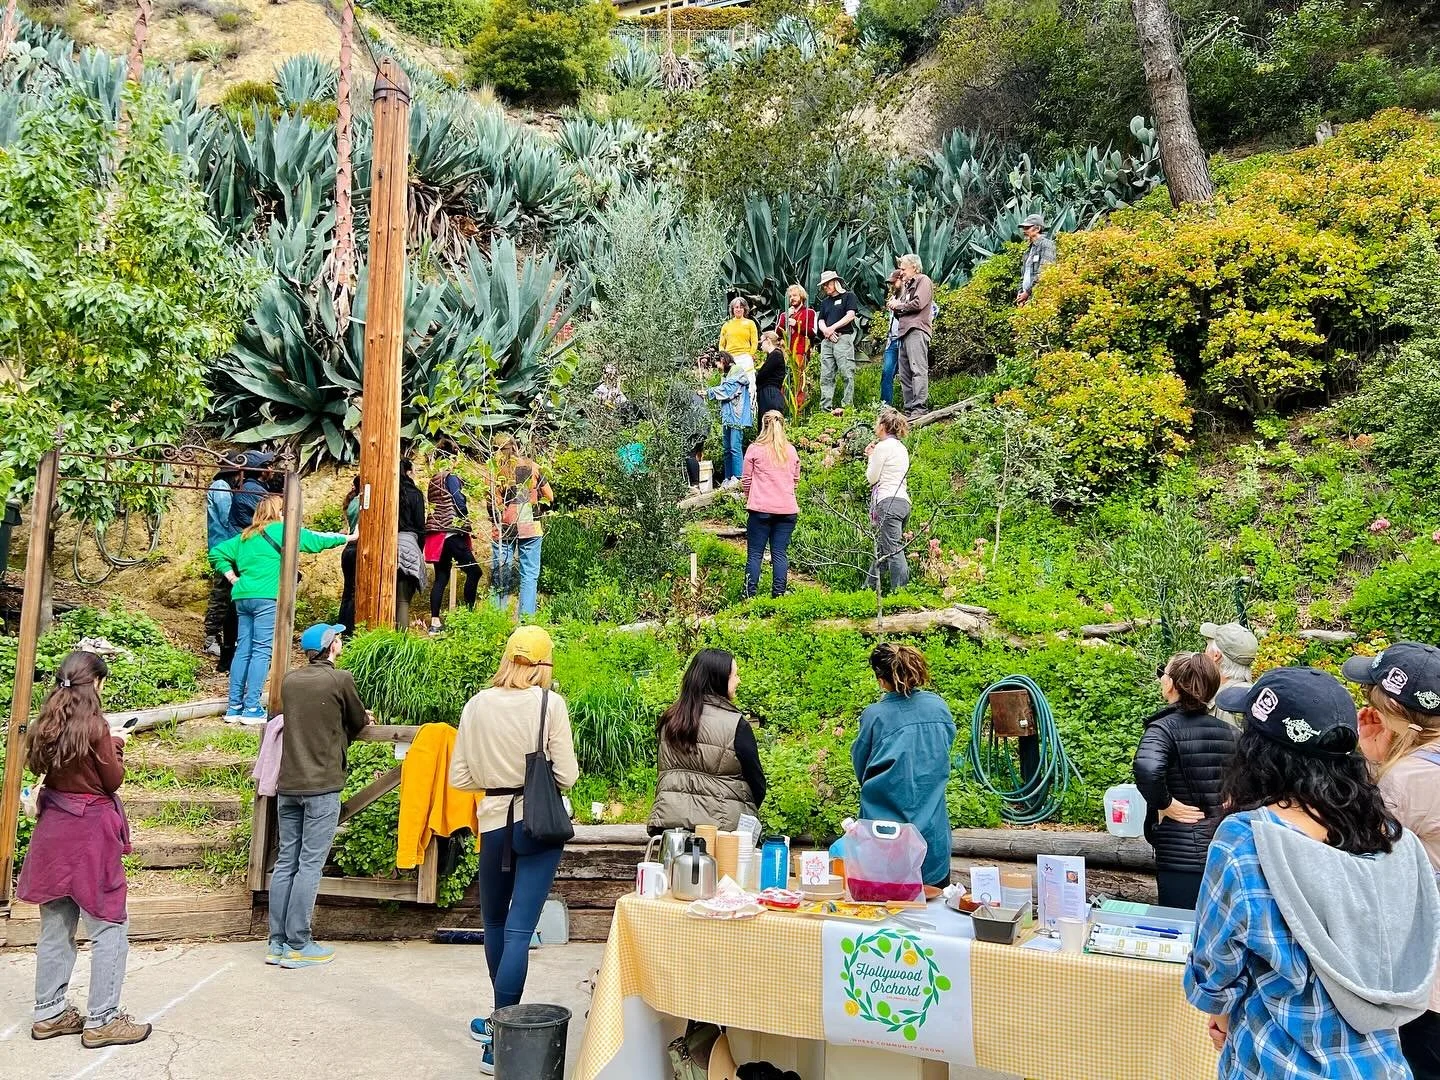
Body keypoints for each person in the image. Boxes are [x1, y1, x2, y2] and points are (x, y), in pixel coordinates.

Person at [1186, 667, 1440, 1080]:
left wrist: (1219, 1010)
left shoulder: (1248, 838)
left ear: (1256, 751)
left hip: (1278, 1061)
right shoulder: (1396, 840)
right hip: (1380, 1063)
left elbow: (1216, 959)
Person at [449, 626, 578, 1073]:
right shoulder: (549, 704)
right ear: (542, 665)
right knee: (521, 931)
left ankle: (494, 1024)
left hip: (493, 824)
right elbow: (567, 775)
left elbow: (460, 778)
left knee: (495, 925)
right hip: (537, 824)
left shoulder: (475, 705)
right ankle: (501, 1036)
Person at [17, 652, 151, 1049]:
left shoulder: (45, 724)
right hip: (91, 836)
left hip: (53, 832)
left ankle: (49, 1013)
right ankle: (103, 1019)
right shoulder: (96, 728)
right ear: (96, 683)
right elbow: (112, 780)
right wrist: (118, 745)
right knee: (110, 925)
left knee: (56, 926)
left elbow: (36, 770)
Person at [1345, 642, 1440, 1079]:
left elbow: (1363, 868)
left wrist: (1372, 760)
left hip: (1425, 981)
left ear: (1391, 710)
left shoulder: (1406, 779)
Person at [266, 623, 371, 969]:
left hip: (289, 784)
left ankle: (277, 942)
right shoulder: (340, 680)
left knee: (286, 862)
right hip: (322, 784)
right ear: (332, 646)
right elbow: (357, 722)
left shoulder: (290, 681)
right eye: (338, 637)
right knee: (310, 865)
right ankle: (299, 943)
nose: (341, 641)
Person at [209, 494, 350, 722]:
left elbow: (216, 552)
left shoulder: (245, 535)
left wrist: (232, 576)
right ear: (279, 512)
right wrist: (347, 537)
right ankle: (252, 708)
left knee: (243, 649)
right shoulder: (283, 531)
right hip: (267, 596)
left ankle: (234, 707)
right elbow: (316, 540)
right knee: (262, 650)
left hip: (243, 596)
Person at [1131, 652, 1238, 909]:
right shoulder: (1231, 733)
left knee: (1180, 931)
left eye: (1163, 674)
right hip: (1223, 847)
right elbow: (1256, 775)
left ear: (1172, 684)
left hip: (1180, 854)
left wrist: (1164, 803)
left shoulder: (1163, 729)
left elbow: (1147, 767)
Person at [851, 643, 956, 889]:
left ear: (880, 680)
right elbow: (943, 750)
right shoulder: (938, 707)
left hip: (883, 836)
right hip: (932, 832)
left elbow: (861, 767)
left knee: (883, 916)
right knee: (935, 915)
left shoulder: (875, 716)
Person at [648, 648, 765, 833]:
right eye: (734, 675)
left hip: (671, 825)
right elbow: (757, 783)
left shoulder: (669, 720)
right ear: (718, 680)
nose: (738, 681)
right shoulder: (735, 724)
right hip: (722, 830)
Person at [486, 434, 554, 619]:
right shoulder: (533, 467)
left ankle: (496, 621)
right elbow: (550, 496)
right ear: (516, 447)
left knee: (501, 573)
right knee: (529, 575)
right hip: (530, 526)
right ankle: (526, 621)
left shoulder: (494, 471)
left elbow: (492, 501)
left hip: (504, 528)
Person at [741, 411, 800, 599]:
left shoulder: (755, 449)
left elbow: (746, 480)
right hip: (787, 510)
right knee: (780, 553)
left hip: (760, 509)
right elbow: (795, 480)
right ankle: (779, 595)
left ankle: (749, 596)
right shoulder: (791, 451)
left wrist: (751, 497)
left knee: (755, 554)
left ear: (763, 425)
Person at [425, 438, 481, 634]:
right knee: (475, 572)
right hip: (452, 532)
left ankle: (435, 623)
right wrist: (466, 517)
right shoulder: (451, 477)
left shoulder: (433, 480)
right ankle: (469, 615)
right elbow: (458, 501)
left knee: (441, 577)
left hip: (436, 535)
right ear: (453, 457)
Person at [864, 407, 911, 594]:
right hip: (903, 501)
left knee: (893, 550)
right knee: (885, 548)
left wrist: (870, 457)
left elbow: (872, 477)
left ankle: (901, 593)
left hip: (888, 501)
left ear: (883, 426)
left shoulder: (882, 447)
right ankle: (868, 589)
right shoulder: (901, 448)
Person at [203, 464, 242, 671]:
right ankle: (211, 638)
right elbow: (228, 518)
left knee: (223, 593)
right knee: (222, 594)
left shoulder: (221, 486)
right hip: (225, 547)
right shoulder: (221, 487)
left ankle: (216, 637)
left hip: (224, 545)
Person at [889, 254, 935, 419]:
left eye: (903, 269)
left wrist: (899, 305)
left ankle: (920, 408)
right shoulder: (906, 287)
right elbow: (903, 312)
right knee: (905, 372)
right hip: (904, 332)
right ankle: (909, 409)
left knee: (918, 369)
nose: (901, 273)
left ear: (914, 267)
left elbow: (918, 303)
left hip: (916, 329)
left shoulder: (923, 280)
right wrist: (896, 308)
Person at [703, 351, 755, 488]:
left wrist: (708, 392)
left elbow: (728, 390)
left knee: (734, 447)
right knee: (727, 448)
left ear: (723, 360)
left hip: (736, 416)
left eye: (718, 364)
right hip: (727, 417)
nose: (718, 368)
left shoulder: (737, 370)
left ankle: (738, 477)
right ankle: (728, 477)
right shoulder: (726, 374)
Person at [815, 270, 858, 416]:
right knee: (826, 375)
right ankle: (825, 409)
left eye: (828, 283)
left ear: (835, 282)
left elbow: (850, 315)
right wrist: (826, 331)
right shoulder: (825, 302)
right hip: (827, 341)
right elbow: (820, 320)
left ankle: (847, 407)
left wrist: (832, 328)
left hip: (842, 338)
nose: (826, 287)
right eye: (824, 285)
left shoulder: (848, 296)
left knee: (847, 372)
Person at [1201, 621, 1258, 726]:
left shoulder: (1228, 705)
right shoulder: (1250, 693)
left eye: (1207, 646)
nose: (1203, 653)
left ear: (1216, 656)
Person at [227, 450, 277, 531]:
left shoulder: (253, 486)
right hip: (245, 537)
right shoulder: (252, 489)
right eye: (269, 465)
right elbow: (273, 516)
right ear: (262, 471)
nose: (272, 469)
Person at [336, 475, 362, 632]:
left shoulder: (352, 501)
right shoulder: (362, 502)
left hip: (348, 549)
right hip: (357, 547)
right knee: (354, 592)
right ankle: (349, 630)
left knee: (348, 592)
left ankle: (342, 628)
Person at [775, 284, 816, 379]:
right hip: (786, 352)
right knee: (784, 381)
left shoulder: (809, 312)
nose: (792, 298)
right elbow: (777, 333)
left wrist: (796, 324)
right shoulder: (784, 314)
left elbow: (811, 333)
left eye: (795, 295)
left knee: (799, 381)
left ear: (801, 296)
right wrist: (786, 317)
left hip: (801, 352)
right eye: (790, 296)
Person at [1015, 213, 1057, 305]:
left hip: (1040, 298)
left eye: (1027, 228)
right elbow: (1023, 275)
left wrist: (1027, 292)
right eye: (1023, 228)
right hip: (1027, 299)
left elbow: (1044, 272)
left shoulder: (1047, 245)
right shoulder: (1028, 250)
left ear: (1037, 229)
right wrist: (1020, 293)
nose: (1024, 231)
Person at [879, 270, 904, 407]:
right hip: (893, 341)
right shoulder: (893, 297)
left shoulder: (909, 295)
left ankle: (911, 405)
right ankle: (885, 406)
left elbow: (933, 309)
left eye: (894, 282)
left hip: (906, 338)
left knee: (908, 373)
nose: (892, 285)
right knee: (887, 372)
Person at [755, 330, 788, 417]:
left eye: (762, 342)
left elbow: (762, 375)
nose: (761, 345)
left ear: (768, 341)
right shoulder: (773, 355)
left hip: (770, 393)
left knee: (768, 423)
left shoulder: (775, 355)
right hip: (769, 392)